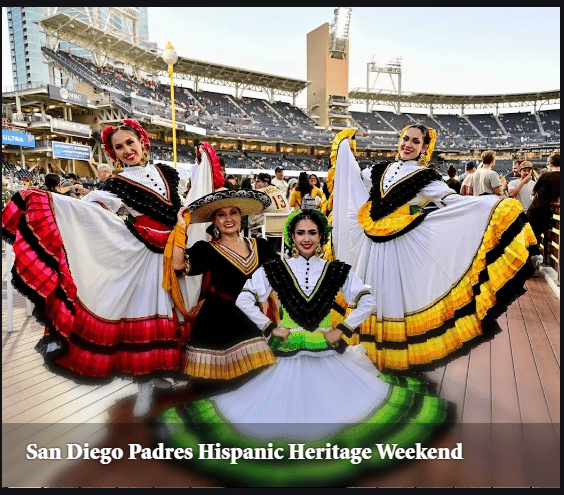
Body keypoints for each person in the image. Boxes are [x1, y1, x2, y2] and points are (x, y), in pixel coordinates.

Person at [155, 209, 452, 487]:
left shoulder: (334, 270)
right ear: (291, 237)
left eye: (312, 232)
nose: (307, 238)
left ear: (321, 236)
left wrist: (342, 329)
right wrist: (273, 327)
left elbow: (367, 300)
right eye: (300, 233)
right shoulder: (276, 269)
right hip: (283, 350)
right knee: (263, 407)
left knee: (347, 406)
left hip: (325, 349)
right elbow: (244, 298)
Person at [1, 119, 220, 418]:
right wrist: (48, 203)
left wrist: (204, 157)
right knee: (148, 313)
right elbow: (91, 209)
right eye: (119, 147)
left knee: (175, 313)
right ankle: (144, 384)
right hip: (144, 256)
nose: (127, 150)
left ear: (142, 142)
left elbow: (196, 186)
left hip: (178, 253)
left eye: (130, 142)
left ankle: (162, 372)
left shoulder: (168, 172)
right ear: (113, 154)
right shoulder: (116, 184)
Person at [328, 126, 537, 372]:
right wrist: (343, 148)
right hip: (369, 245)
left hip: (398, 246)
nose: (408, 144)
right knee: (368, 290)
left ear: (424, 147)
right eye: (405, 138)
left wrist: (493, 205)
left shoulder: (425, 177)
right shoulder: (379, 169)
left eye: (415, 141)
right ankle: (365, 347)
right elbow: (351, 178)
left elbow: (452, 201)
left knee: (390, 295)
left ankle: (388, 355)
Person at [172, 188, 278, 380]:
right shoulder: (206, 249)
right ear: (214, 220)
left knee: (258, 378)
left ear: (241, 216)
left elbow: (275, 276)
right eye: (221, 214)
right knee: (218, 386)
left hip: (250, 318)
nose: (228, 219)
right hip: (216, 321)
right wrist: (181, 228)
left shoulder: (259, 245)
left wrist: (263, 298)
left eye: (233, 212)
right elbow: (178, 264)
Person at [527, 152, 560, 244]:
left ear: (550, 165)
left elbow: (533, 192)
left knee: (530, 239)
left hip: (535, 211)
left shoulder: (545, 175)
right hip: (548, 214)